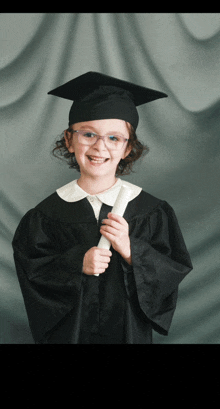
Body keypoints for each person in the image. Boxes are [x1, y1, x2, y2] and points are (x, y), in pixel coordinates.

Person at [12, 71, 193, 344]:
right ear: (70, 140)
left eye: (114, 138)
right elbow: (33, 276)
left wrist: (133, 252)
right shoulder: (44, 217)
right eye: (88, 134)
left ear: (128, 147)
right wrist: (76, 264)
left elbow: (171, 272)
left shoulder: (152, 211)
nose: (100, 146)